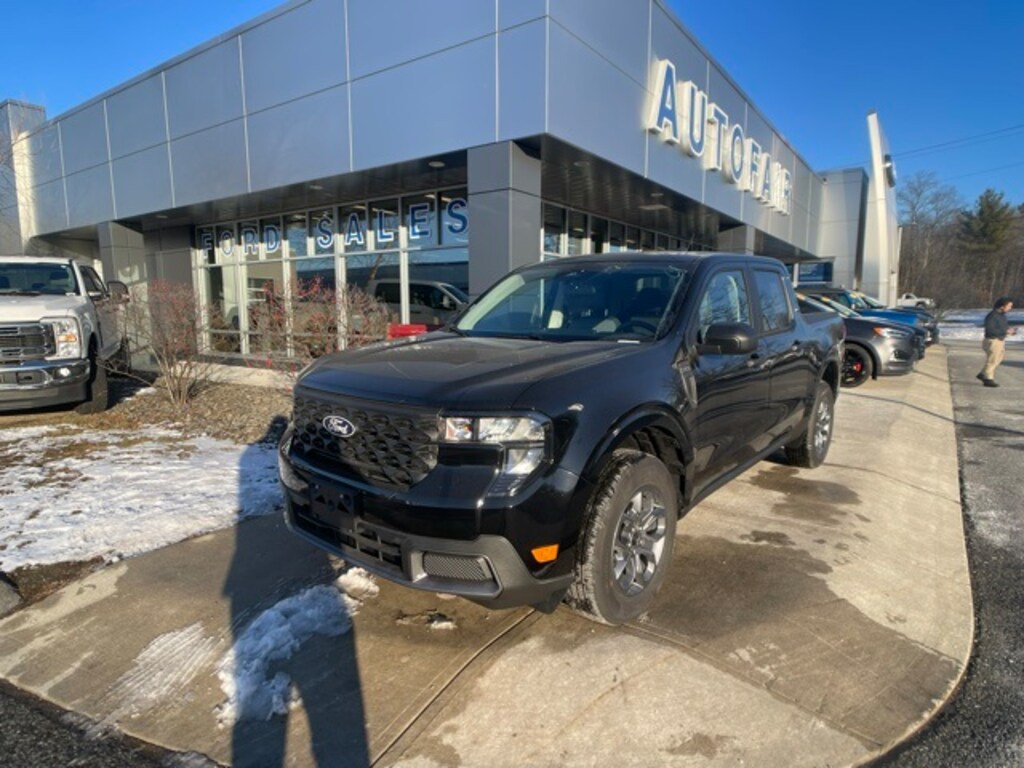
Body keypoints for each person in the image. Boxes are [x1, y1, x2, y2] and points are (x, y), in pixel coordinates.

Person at [977, 296, 1015, 387]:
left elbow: (1002, 328)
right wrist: (1005, 331)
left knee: (998, 359)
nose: (1010, 308)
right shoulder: (992, 315)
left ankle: (982, 374)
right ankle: (988, 379)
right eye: (1009, 306)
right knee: (992, 360)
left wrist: (1009, 330)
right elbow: (990, 330)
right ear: (1002, 306)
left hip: (1000, 340)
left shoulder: (1002, 316)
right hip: (992, 340)